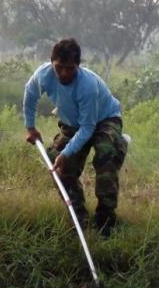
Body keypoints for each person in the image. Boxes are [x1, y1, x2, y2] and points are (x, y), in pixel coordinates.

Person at [24, 38, 128, 236]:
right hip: (72, 123)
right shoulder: (43, 75)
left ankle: (105, 222)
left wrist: (68, 151)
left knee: (105, 157)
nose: (64, 73)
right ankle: (79, 217)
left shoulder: (87, 85)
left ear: (78, 66)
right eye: (59, 67)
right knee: (58, 165)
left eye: (70, 68)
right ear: (51, 62)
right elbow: (30, 95)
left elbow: (88, 127)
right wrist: (30, 128)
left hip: (103, 120)